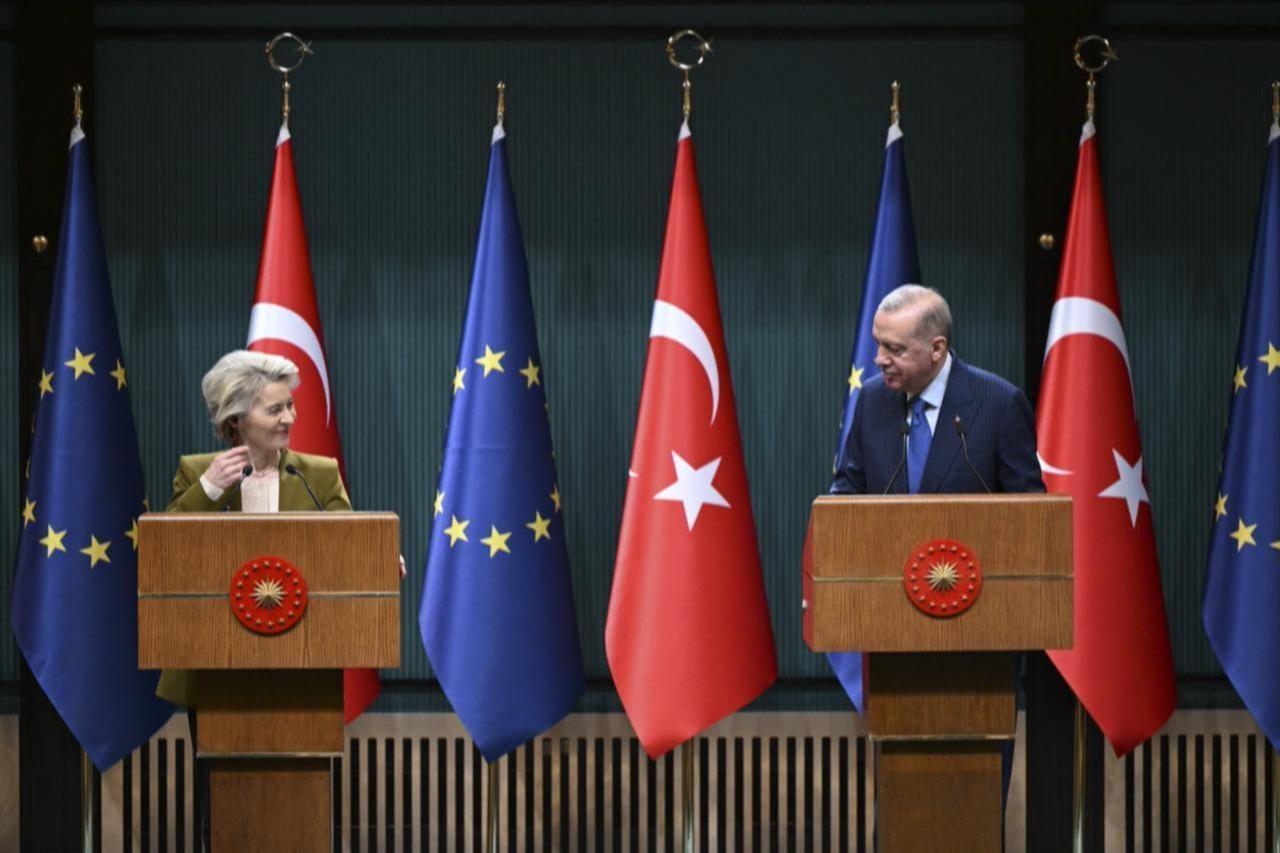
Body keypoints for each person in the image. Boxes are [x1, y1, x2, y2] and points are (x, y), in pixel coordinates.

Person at [159, 349, 350, 850]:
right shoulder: (195, 473)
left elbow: (351, 547)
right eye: (274, 409)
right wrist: (206, 489)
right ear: (237, 420)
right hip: (216, 667)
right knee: (218, 805)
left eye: (290, 406)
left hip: (302, 666)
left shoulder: (318, 474)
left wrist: (377, 561)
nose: (288, 418)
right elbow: (163, 555)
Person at [832, 284, 1044, 496]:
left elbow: (1029, 512)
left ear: (936, 349)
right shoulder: (872, 399)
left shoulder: (1001, 406)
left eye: (894, 349)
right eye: (878, 343)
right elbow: (846, 495)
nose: (879, 359)